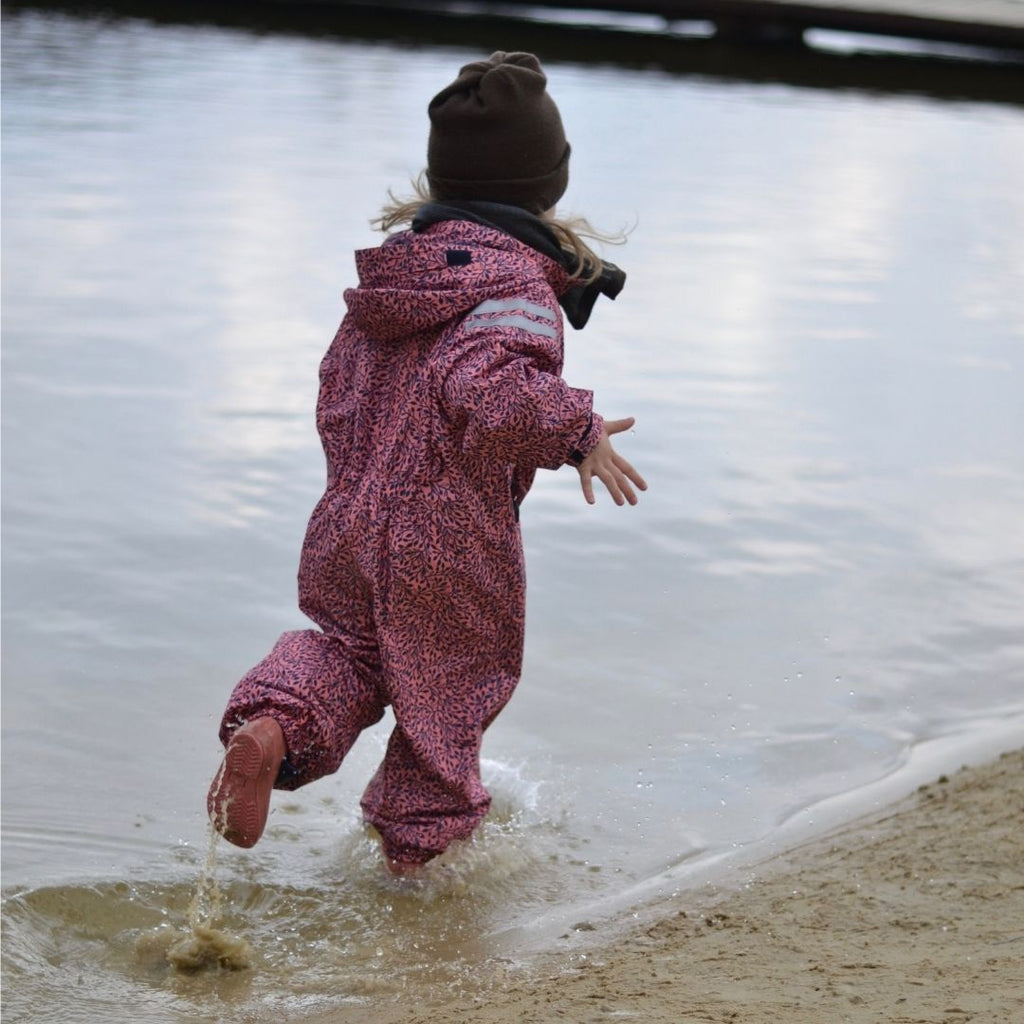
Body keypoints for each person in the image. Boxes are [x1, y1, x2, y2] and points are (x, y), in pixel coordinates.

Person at [207, 51, 646, 874]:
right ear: (545, 186)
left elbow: (338, 386)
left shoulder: (399, 278)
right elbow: (481, 380)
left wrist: (362, 472)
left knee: (347, 649)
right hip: (448, 538)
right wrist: (575, 428)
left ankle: (270, 727)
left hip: (351, 518)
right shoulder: (515, 285)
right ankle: (420, 871)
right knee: (446, 692)